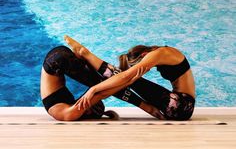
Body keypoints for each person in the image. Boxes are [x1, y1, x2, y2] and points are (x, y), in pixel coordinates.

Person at [65, 35, 196, 121]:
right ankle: (87, 56)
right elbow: (126, 78)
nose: (144, 69)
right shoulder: (161, 54)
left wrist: (94, 89)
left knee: (125, 78)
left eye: (138, 64)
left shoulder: (159, 53)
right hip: (176, 107)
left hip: (182, 106)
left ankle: (86, 54)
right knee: (122, 80)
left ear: (144, 54)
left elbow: (126, 76)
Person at [41, 41, 160, 121]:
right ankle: (85, 54)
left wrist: (128, 84)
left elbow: (102, 93)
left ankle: (85, 54)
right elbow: (102, 93)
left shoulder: (67, 114)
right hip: (58, 59)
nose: (85, 104)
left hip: (57, 61)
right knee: (103, 84)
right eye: (89, 105)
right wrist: (127, 82)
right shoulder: (69, 110)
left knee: (101, 84)